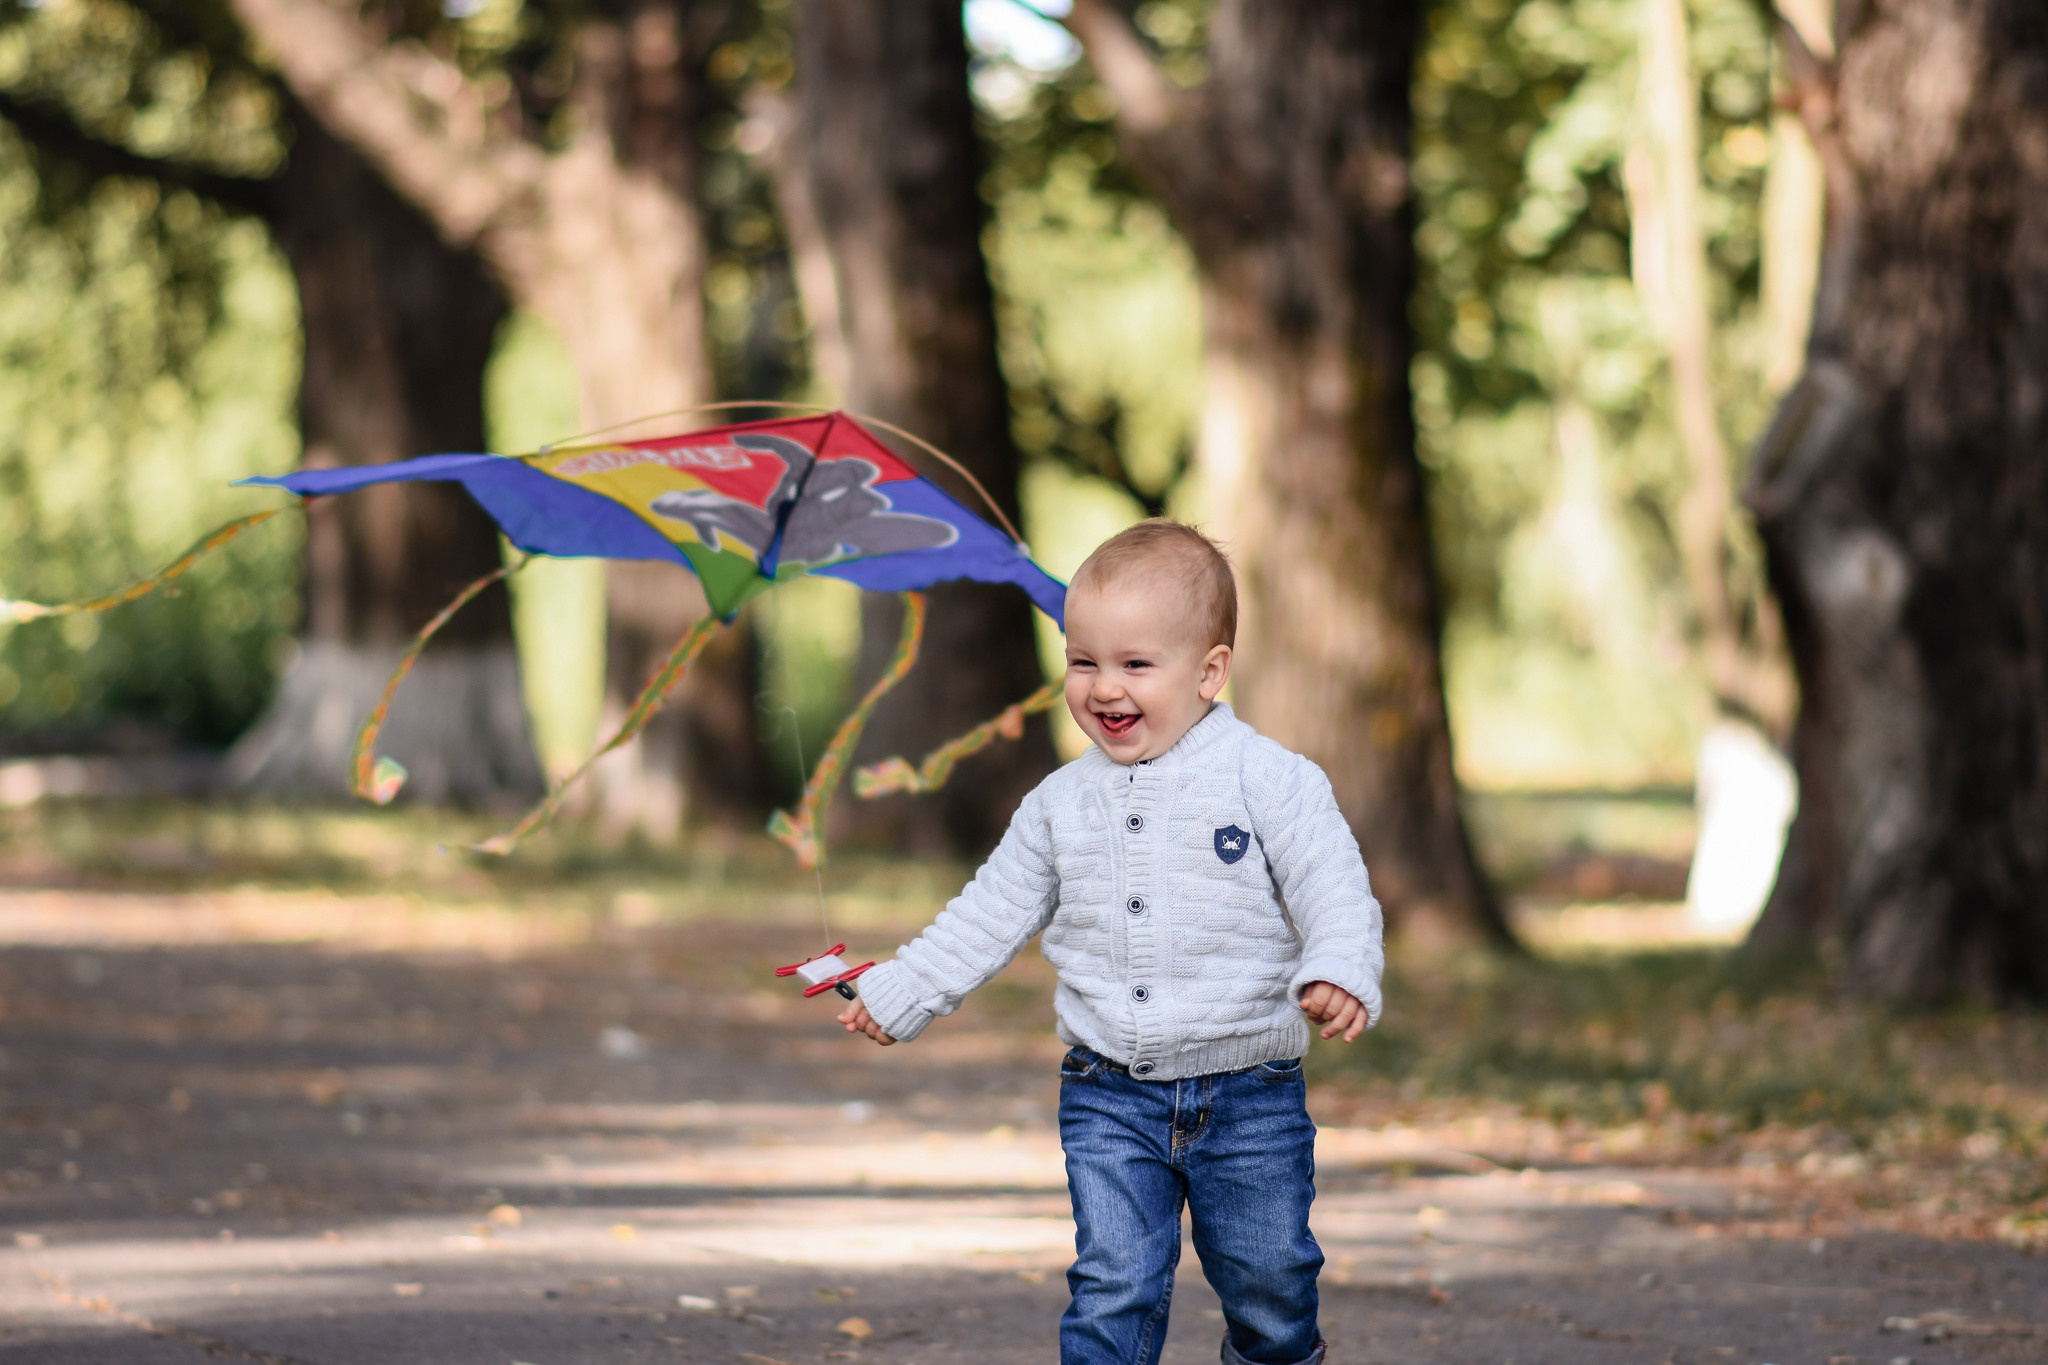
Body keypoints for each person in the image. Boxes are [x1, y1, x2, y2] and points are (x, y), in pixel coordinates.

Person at [840, 520, 1384, 1365]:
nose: (1104, 687)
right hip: (1109, 1094)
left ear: (1209, 671)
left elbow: (1332, 882)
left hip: (1249, 1091)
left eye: (1135, 664)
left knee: (1271, 1281)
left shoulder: (1270, 777)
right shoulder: (1059, 804)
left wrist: (1340, 966)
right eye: (1083, 661)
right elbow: (989, 910)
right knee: (1113, 1285)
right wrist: (905, 989)